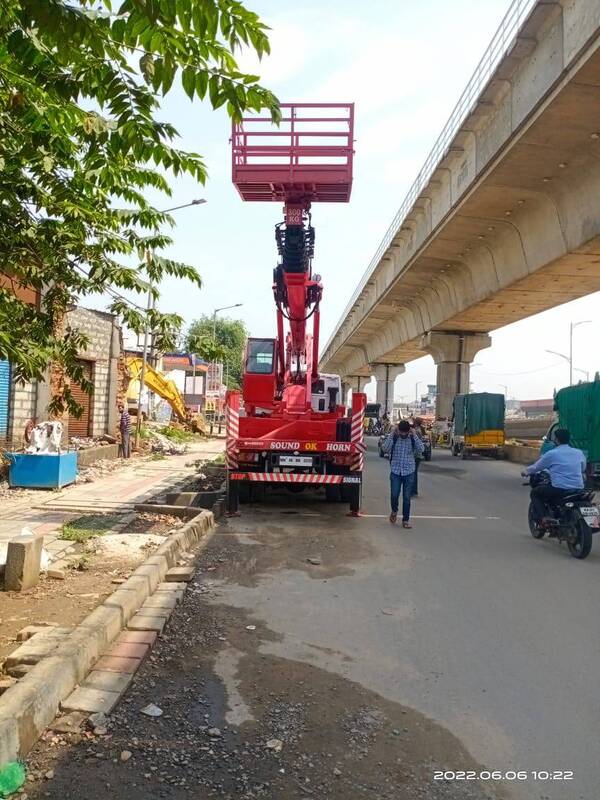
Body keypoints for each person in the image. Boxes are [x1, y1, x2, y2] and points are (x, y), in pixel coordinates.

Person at [522, 428, 586, 523]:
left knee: (535, 493)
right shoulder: (579, 453)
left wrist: (526, 472)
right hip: (578, 487)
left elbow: (537, 467)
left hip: (560, 487)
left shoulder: (552, 454)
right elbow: (582, 468)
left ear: (556, 440)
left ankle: (543, 518)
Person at [383, 419, 424, 528]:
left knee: (406, 497)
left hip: (409, 471)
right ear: (398, 430)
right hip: (396, 471)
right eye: (401, 432)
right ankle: (394, 511)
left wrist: (414, 435)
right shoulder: (395, 437)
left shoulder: (412, 438)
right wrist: (392, 434)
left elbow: (421, 449)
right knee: (394, 495)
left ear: (409, 431)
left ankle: (405, 520)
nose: (403, 435)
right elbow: (385, 448)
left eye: (405, 433)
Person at [411, 417, 426, 497]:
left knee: (413, 474)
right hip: (418, 454)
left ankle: (413, 491)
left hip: (415, 455)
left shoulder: (416, 431)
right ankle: (414, 491)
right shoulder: (419, 430)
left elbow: (415, 443)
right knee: (414, 473)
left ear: (415, 423)